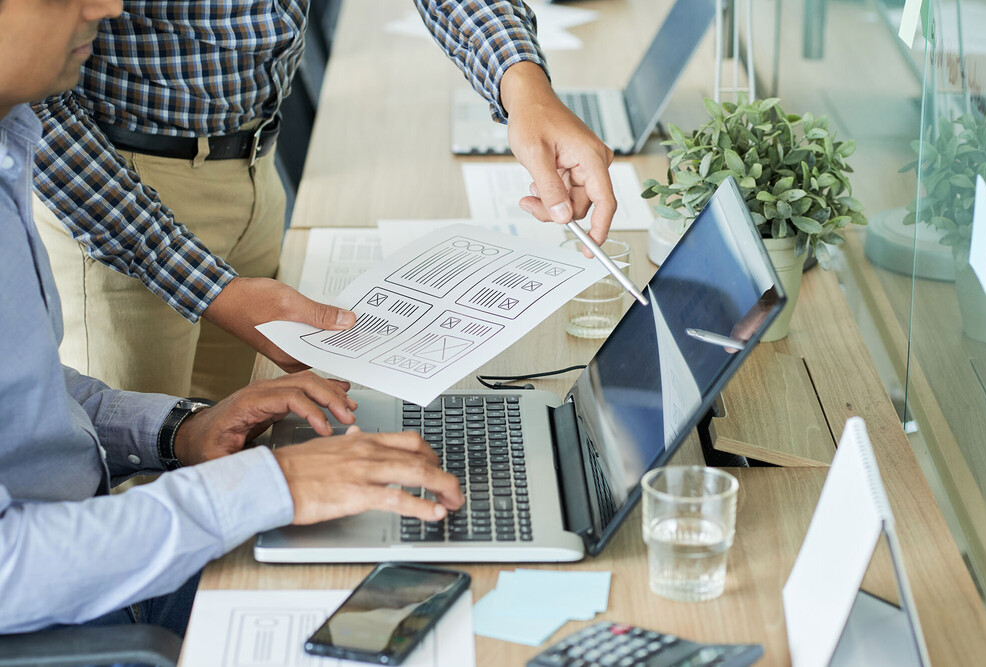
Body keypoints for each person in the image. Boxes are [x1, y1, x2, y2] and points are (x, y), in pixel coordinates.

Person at [0, 0, 463, 635]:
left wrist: (179, 431)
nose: (109, 7)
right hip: (85, 619)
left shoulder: (7, 163)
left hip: (106, 559)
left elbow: (32, 406)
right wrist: (270, 486)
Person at [31, 0, 618, 402]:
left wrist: (526, 89)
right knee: (140, 481)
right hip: (114, 199)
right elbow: (34, 110)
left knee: (237, 449)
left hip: (255, 165)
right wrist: (214, 290)